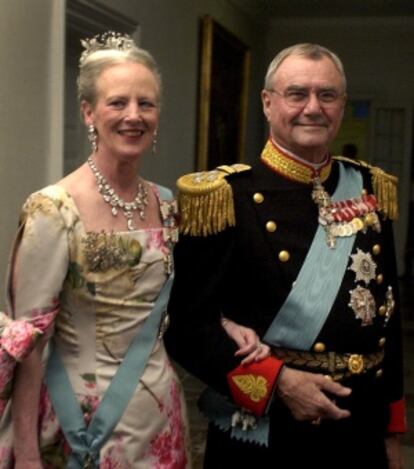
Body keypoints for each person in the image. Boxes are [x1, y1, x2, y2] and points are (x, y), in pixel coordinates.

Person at [166, 43, 406, 468]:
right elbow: (186, 329)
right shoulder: (225, 197)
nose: (312, 107)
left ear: (341, 105)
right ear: (267, 102)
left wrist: (392, 433)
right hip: (267, 437)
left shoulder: (371, 188)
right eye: (297, 94)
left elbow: (389, 318)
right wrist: (277, 383)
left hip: (359, 430)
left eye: (326, 95)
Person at [0, 31, 194, 469]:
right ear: (88, 112)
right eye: (117, 102)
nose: (133, 116)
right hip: (80, 421)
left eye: (146, 103)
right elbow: (27, 342)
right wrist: (27, 453)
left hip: (161, 418)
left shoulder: (166, 205)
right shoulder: (53, 210)